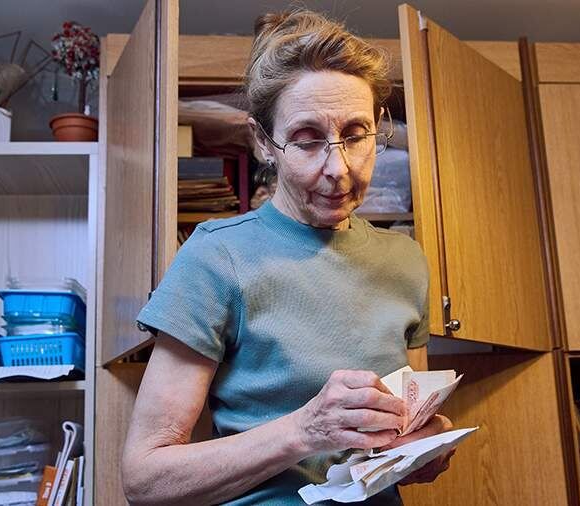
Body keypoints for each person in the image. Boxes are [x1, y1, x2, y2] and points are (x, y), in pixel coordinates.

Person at [121, 10, 454, 505]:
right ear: (263, 142)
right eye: (307, 139)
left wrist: (421, 446)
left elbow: (399, 432)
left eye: (356, 135)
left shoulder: (406, 260)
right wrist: (305, 430)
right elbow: (145, 480)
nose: (338, 168)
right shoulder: (216, 256)